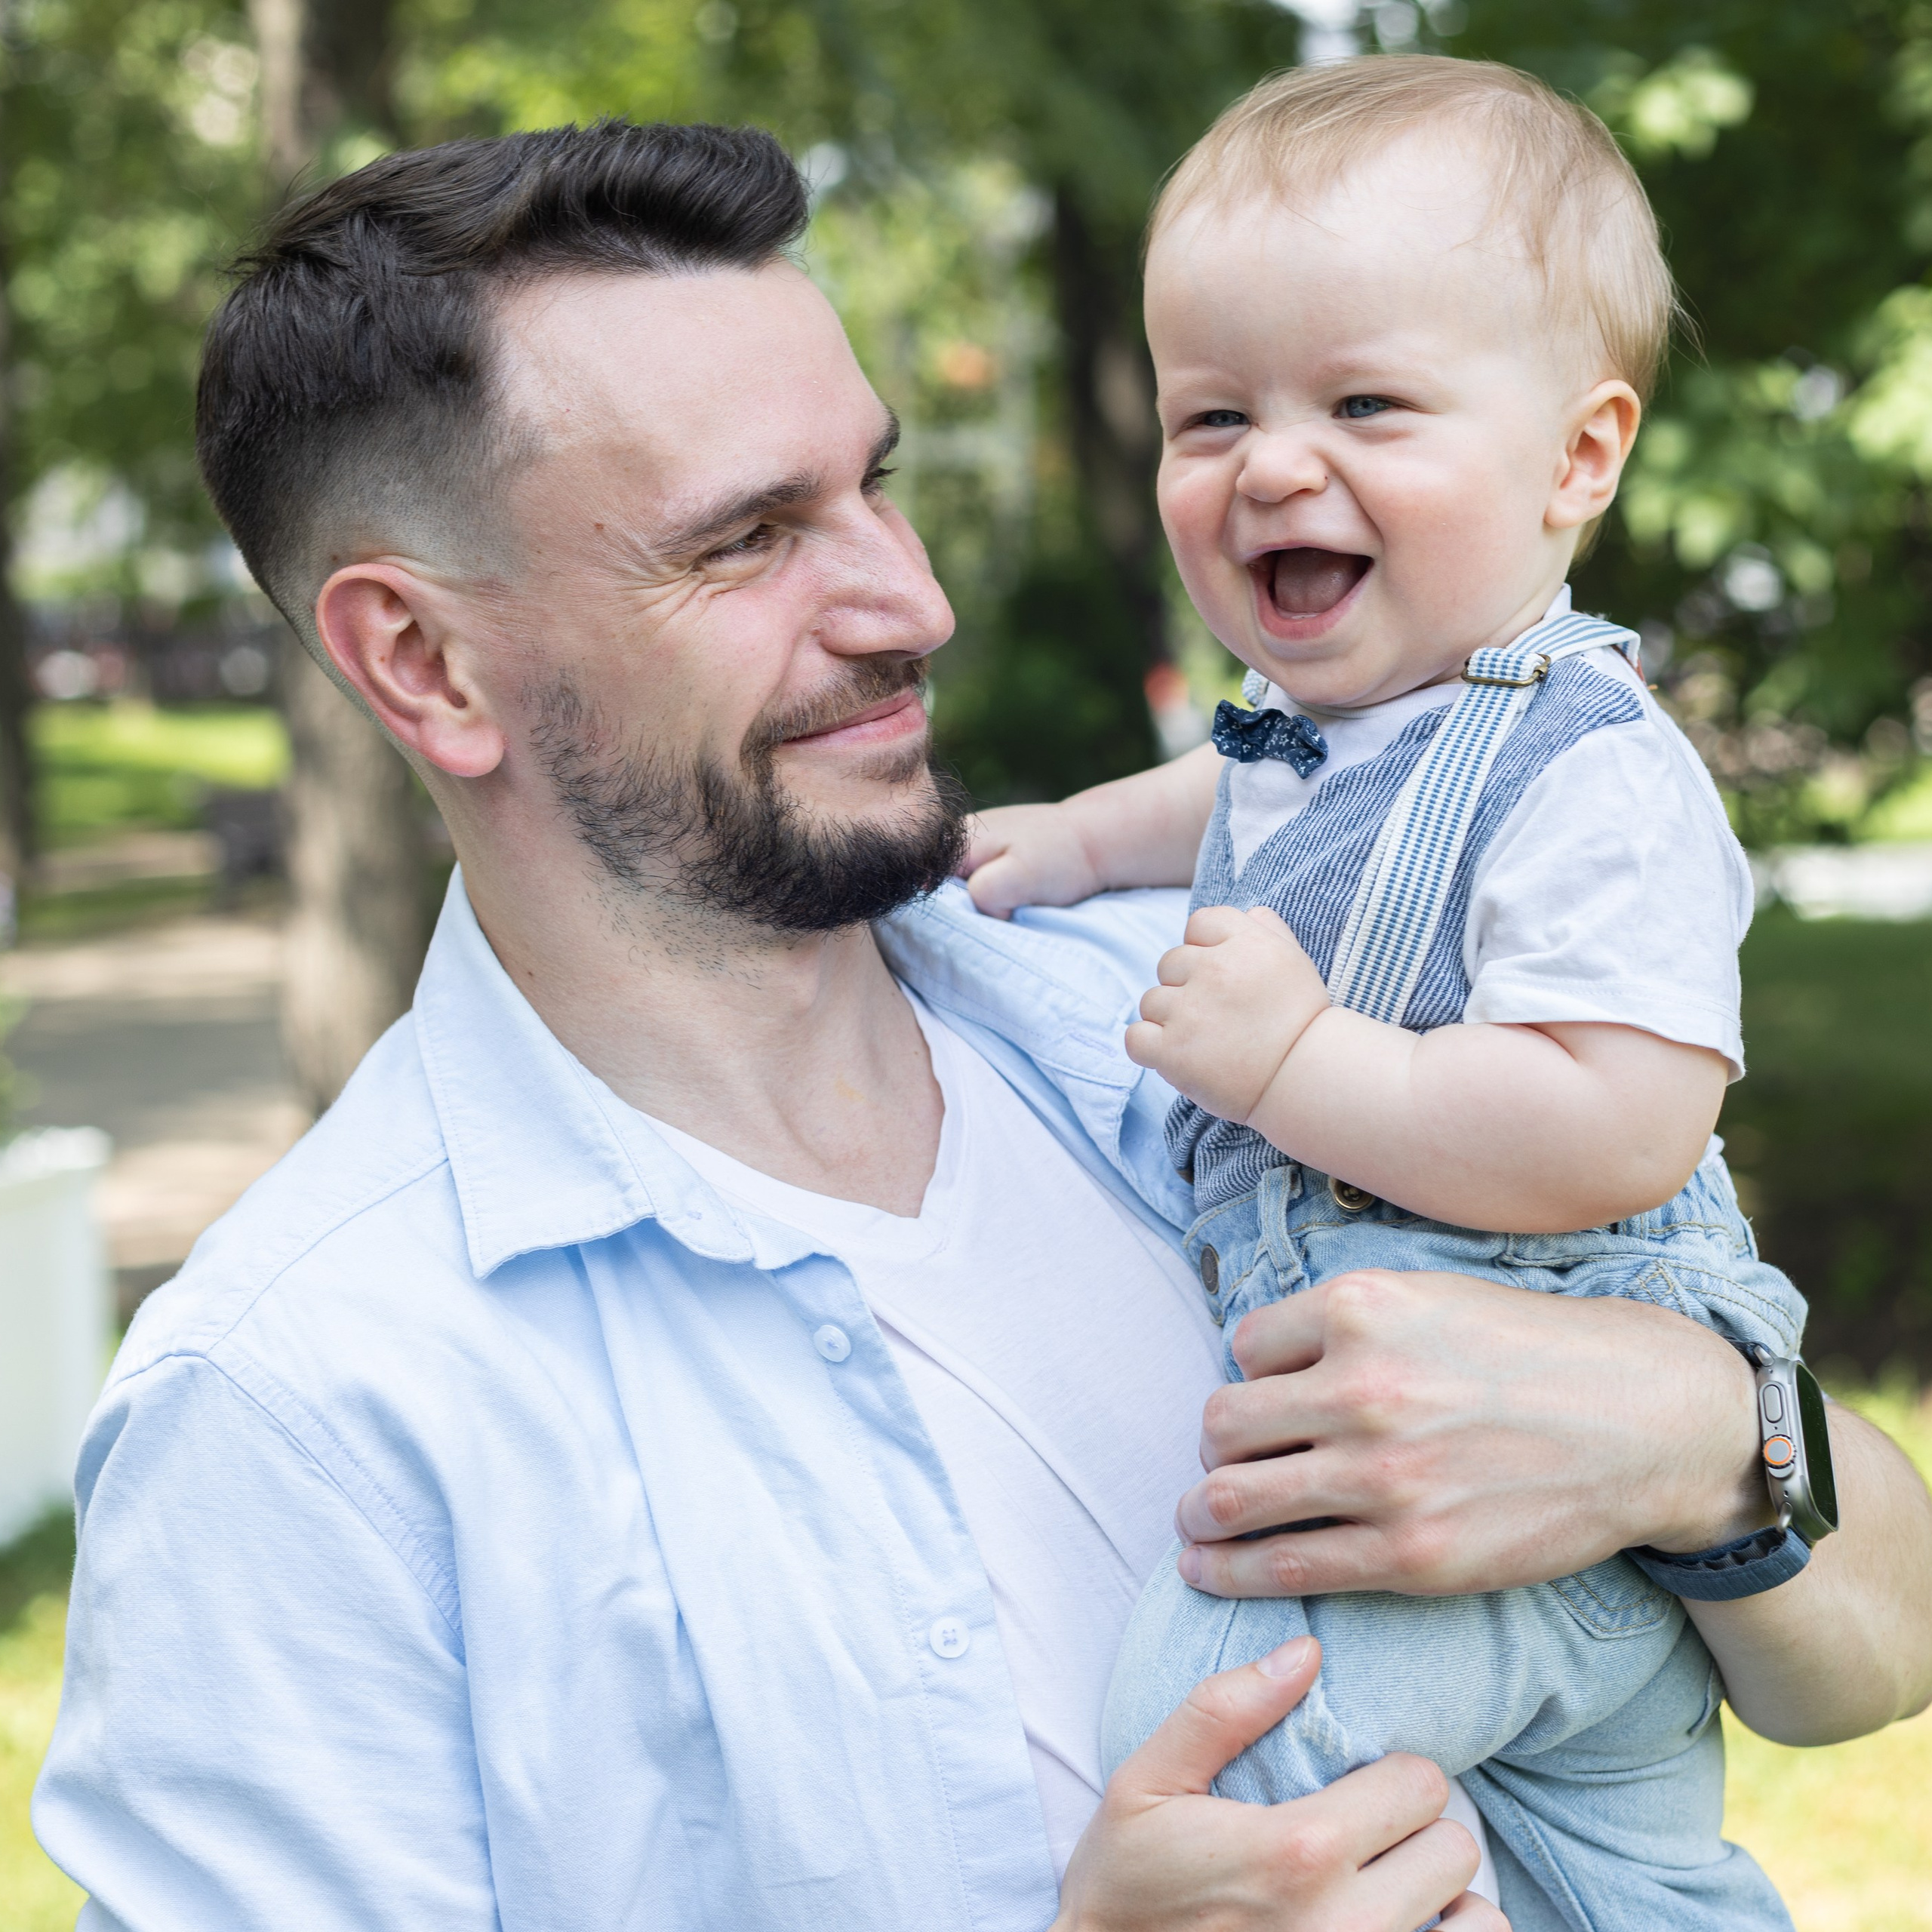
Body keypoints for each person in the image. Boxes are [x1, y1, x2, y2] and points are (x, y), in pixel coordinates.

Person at [32, 119, 1932, 1932]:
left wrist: (1700, 1439)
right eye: (749, 537)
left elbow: (1881, 1637)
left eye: (878, 482)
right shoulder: (296, 1418)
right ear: (425, 660)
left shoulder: (1204, 991)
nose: (909, 599)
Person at [957, 54, 1882, 1929]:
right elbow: (1224, 797)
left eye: (1363, 401)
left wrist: (1299, 1059)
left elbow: (1618, 1118)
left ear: (1577, 457)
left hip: (1517, 1491)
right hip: (1500, 1523)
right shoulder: (1328, 731)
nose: (1271, 462)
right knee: (1628, 1880)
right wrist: (1064, 843)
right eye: (1208, 413)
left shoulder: (1589, 773)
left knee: (1217, 1734)